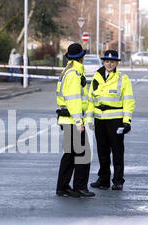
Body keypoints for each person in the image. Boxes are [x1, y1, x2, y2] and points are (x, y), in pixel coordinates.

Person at [89, 50, 136, 191]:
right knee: (102, 152)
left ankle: (118, 180)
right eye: (107, 61)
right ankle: (103, 179)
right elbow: (91, 100)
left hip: (115, 121)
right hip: (99, 120)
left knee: (117, 152)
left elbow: (129, 101)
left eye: (113, 62)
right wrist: (89, 119)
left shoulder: (123, 79)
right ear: (103, 62)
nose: (109, 64)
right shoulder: (96, 77)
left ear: (116, 63)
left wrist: (127, 121)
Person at [56, 43, 95, 198]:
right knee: (82, 154)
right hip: (72, 121)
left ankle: (63, 187)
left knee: (70, 155)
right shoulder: (74, 74)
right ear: (81, 57)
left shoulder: (69, 71)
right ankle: (79, 187)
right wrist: (79, 122)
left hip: (68, 120)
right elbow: (73, 101)